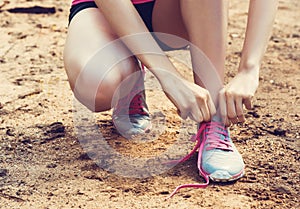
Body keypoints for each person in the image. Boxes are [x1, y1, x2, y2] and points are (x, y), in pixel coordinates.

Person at [63, 0, 278, 196]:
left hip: (173, 10)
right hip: (105, 11)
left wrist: (249, 69)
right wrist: (168, 74)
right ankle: (130, 79)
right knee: (94, 85)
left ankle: (213, 120)